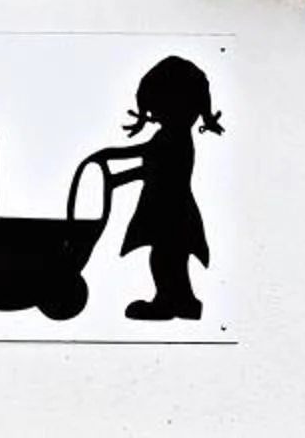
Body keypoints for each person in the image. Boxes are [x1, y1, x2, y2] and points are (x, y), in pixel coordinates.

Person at [92, 54, 221, 320]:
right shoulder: (171, 135)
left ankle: (168, 302)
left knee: (165, 258)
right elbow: (147, 156)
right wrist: (111, 156)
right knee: (171, 258)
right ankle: (184, 301)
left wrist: (115, 173)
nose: (156, 114)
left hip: (170, 210)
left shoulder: (175, 138)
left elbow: (155, 168)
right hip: (168, 208)